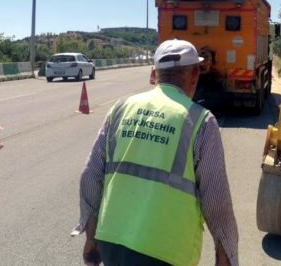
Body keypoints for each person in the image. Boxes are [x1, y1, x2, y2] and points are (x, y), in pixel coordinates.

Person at [74, 39, 238, 266]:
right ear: (194, 76)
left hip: (111, 241)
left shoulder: (120, 109)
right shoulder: (200, 121)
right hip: (167, 251)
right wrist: (227, 256)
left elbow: (90, 175)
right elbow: (216, 200)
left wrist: (91, 235)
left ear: (154, 74)